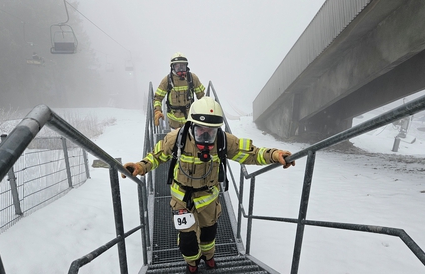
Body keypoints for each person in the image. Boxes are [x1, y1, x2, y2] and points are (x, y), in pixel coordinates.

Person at [122, 96, 296, 273]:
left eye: (210, 132)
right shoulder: (175, 139)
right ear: (191, 125)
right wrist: (139, 166)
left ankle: (209, 256)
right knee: (187, 240)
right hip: (182, 198)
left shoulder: (223, 140)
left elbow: (252, 153)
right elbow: (156, 156)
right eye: (200, 131)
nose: (206, 137)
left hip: (209, 198)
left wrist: (275, 155)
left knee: (208, 234)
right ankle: (192, 263)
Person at [153, 52, 205, 129]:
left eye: (183, 66)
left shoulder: (192, 78)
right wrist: (157, 111)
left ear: (186, 66)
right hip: (173, 123)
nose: (180, 69)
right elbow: (157, 98)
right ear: (172, 67)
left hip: (190, 120)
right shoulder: (167, 80)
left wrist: (205, 110)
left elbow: (202, 97)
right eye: (178, 66)